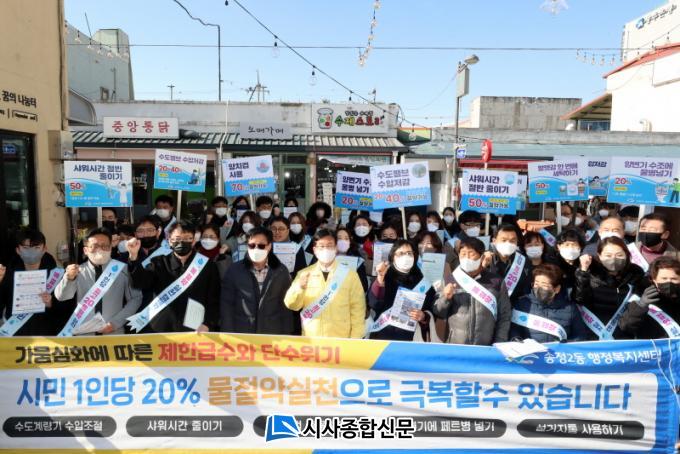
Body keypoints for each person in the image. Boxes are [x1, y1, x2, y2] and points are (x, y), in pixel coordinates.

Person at [127, 220, 220, 333]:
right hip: (160, 329)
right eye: (177, 238)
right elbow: (139, 283)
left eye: (187, 238)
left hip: (196, 330)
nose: (182, 242)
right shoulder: (158, 263)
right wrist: (133, 256)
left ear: (194, 241)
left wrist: (208, 323)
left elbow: (214, 299)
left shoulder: (207, 266)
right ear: (169, 241)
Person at [55, 228, 142, 335]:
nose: (100, 249)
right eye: (94, 246)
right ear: (85, 250)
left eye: (105, 246)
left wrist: (115, 323)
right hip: (84, 335)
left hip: (114, 334)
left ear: (111, 248)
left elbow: (136, 298)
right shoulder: (77, 270)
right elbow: (62, 297)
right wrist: (68, 278)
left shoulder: (122, 269)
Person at [284, 229, 366, 338]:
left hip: (341, 339)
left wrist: (355, 339)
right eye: (321, 246)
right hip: (312, 339)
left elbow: (358, 310)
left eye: (329, 245)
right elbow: (291, 305)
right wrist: (299, 288)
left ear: (336, 248)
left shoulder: (350, 275)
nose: (325, 249)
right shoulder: (304, 274)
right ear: (314, 250)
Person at [433, 238, 511, 345]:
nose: (466, 258)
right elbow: (438, 312)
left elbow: (504, 315)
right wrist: (445, 298)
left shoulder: (496, 281)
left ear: (482, 257)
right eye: (463, 254)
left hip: (486, 346)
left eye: (471, 254)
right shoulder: (450, 279)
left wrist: (500, 341)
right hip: (456, 344)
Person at [220, 227, 295, 335]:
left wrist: (286, 334)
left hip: (272, 333)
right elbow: (227, 304)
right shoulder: (234, 270)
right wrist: (228, 332)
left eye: (261, 246)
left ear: (269, 246)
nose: (256, 249)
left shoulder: (281, 271)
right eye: (252, 245)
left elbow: (285, 306)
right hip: (242, 332)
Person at [572, 236, 648, 340]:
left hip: (624, 332)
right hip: (592, 332)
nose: (613, 259)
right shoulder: (590, 272)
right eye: (608, 255)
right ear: (599, 255)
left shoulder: (636, 273)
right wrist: (583, 271)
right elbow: (579, 299)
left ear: (626, 255)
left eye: (619, 255)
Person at [369, 240, 436, 341]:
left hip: (411, 339)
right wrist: (380, 278)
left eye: (409, 253)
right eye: (401, 253)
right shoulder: (385, 276)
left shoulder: (422, 281)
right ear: (393, 257)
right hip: (383, 336)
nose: (406, 256)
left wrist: (423, 316)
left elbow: (431, 310)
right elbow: (374, 303)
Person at [0, 230, 64, 335]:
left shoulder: (56, 276)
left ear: (44, 249)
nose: (31, 252)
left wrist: (52, 303)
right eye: (25, 248)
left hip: (46, 335)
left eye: (36, 247)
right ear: (18, 250)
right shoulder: (8, 275)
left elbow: (65, 310)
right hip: (16, 335)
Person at [510, 263, 587, 343]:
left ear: (557, 289)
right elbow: (514, 330)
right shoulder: (522, 304)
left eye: (544, 285)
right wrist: (516, 340)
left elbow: (580, 336)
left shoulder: (570, 308)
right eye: (536, 284)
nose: (539, 288)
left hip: (559, 350)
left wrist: (566, 344)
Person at [619, 257, 680, 339]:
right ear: (654, 280)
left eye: (674, 279)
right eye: (664, 278)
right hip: (653, 345)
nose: (669, 282)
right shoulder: (641, 294)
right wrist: (640, 305)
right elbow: (626, 326)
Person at [484, 224, 531, 304]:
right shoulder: (485, 259)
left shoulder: (523, 261)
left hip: (515, 306)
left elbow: (526, 288)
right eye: (504, 240)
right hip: (489, 306)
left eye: (512, 241)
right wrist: (483, 266)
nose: (508, 243)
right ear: (494, 241)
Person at [336, 226, 369, 292]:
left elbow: (364, 286)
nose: (343, 241)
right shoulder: (327, 259)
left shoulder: (358, 261)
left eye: (346, 239)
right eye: (339, 238)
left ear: (350, 242)